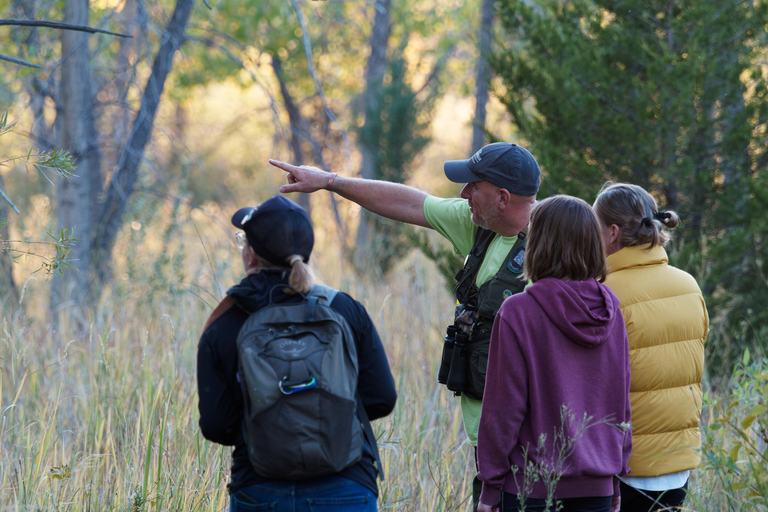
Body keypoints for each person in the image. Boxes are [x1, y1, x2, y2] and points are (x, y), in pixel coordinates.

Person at [270, 142, 542, 510]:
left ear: (503, 198)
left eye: (473, 186)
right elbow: (411, 203)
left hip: (532, 435)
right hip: (488, 435)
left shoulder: (552, 245)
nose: (464, 194)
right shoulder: (480, 223)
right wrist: (329, 181)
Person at [196, 195, 397, 512]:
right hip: (345, 486)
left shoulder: (226, 322)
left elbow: (216, 426)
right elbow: (382, 398)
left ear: (250, 255)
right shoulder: (345, 309)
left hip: (259, 489)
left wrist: (269, 423)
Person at [477, 195, 632, 512]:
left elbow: (502, 410)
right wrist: (616, 479)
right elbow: (620, 404)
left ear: (537, 243)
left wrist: (489, 489)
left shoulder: (518, 311)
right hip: (599, 486)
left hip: (531, 489)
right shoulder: (611, 309)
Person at [593, 183, 708, 512]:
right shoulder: (688, 284)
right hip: (678, 465)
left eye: (595, 229)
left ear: (613, 232)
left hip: (626, 468)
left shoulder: (604, 293)